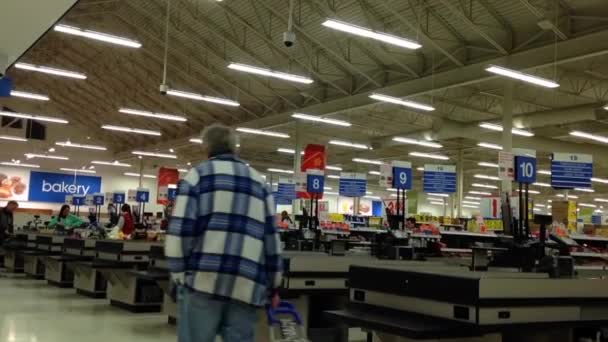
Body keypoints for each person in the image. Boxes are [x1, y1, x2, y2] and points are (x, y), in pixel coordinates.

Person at [166, 124, 283, 342]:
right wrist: (274, 286)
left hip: (203, 282)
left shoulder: (196, 178)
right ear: (235, 148)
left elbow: (179, 234)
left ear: (206, 147)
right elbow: (272, 241)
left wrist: (179, 276)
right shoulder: (260, 183)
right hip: (245, 285)